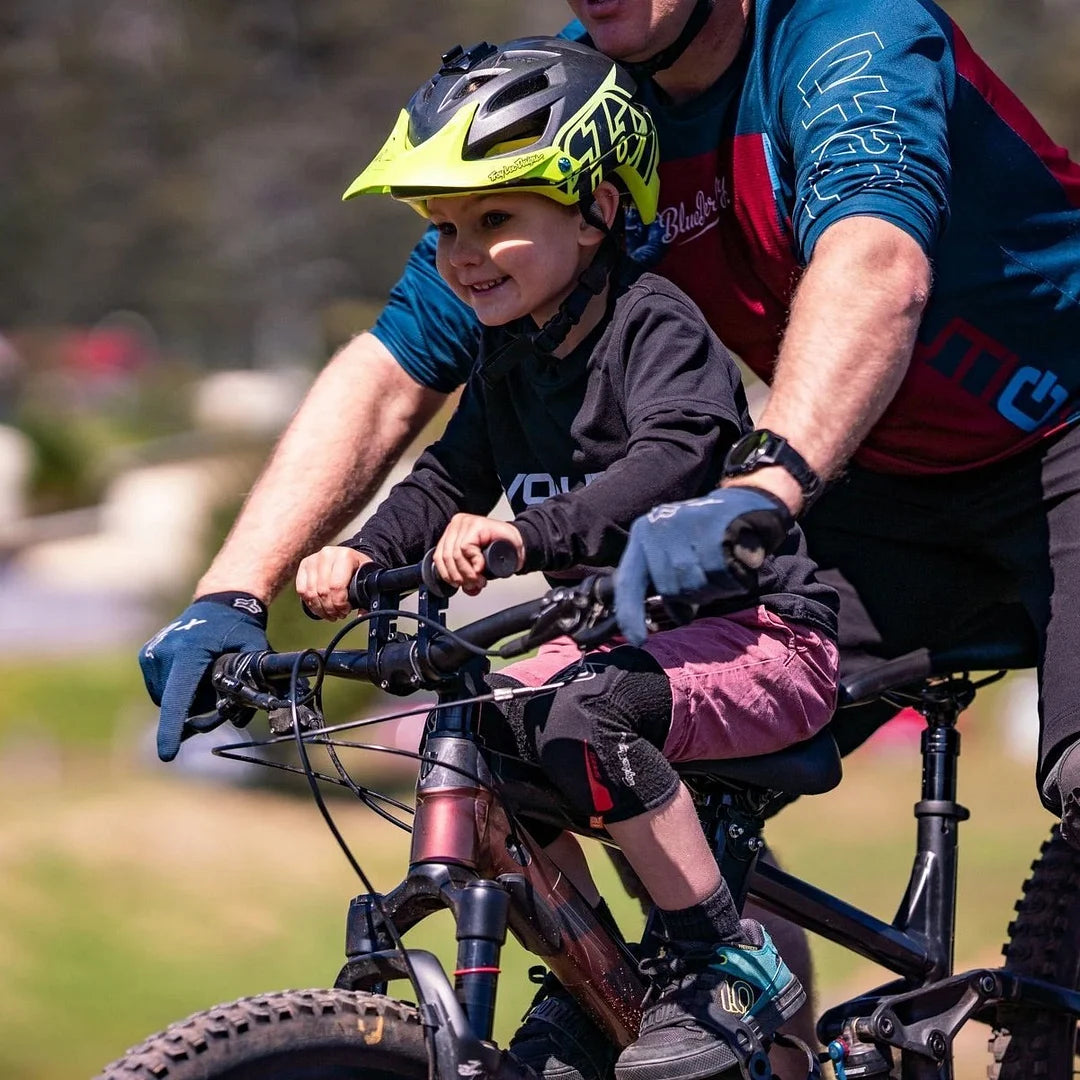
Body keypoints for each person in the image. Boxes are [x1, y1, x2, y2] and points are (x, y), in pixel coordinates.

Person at [291, 37, 838, 1080]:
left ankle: (726, 959)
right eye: (446, 227)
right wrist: (359, 553)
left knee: (585, 714)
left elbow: (674, 461)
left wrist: (526, 537)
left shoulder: (654, 322)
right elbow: (444, 482)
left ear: (596, 211)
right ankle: (597, 990)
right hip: (629, 648)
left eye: (497, 219)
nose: (460, 253)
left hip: (762, 634)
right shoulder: (511, 357)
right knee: (484, 739)